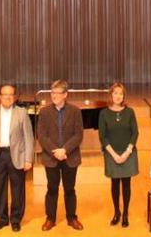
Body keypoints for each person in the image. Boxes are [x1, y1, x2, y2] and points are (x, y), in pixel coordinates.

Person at [0, 83, 34, 232]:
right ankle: (2, 218)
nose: (8, 97)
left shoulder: (22, 113)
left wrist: (28, 159)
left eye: (11, 94)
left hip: (16, 155)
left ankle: (16, 219)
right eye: (5, 94)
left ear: (15, 97)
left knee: (18, 190)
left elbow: (29, 137)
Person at [38, 79, 85, 231]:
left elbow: (78, 134)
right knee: (52, 189)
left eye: (57, 93)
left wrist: (64, 150)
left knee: (70, 189)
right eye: (52, 92)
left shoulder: (75, 111)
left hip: (69, 157)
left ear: (65, 94)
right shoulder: (44, 111)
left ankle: (72, 218)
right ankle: (50, 218)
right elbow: (41, 135)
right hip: (51, 158)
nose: (54, 95)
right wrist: (55, 151)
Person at [98, 82, 139, 228]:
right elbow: (102, 136)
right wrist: (114, 155)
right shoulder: (104, 113)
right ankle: (117, 212)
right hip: (111, 153)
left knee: (126, 184)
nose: (118, 96)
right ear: (111, 95)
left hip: (127, 152)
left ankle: (126, 213)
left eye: (120, 93)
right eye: (115, 93)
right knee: (115, 184)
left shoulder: (130, 112)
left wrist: (127, 152)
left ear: (124, 96)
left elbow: (135, 133)